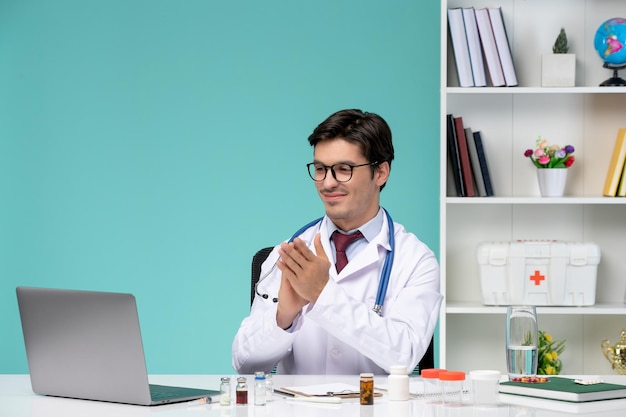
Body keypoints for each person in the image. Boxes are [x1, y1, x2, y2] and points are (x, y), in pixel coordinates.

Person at [232, 109, 442, 375]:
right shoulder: (288, 254)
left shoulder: (416, 260)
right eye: (320, 169)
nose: (327, 183)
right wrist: (283, 318)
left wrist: (322, 293)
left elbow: (405, 355)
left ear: (381, 173)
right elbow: (245, 364)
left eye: (344, 169)